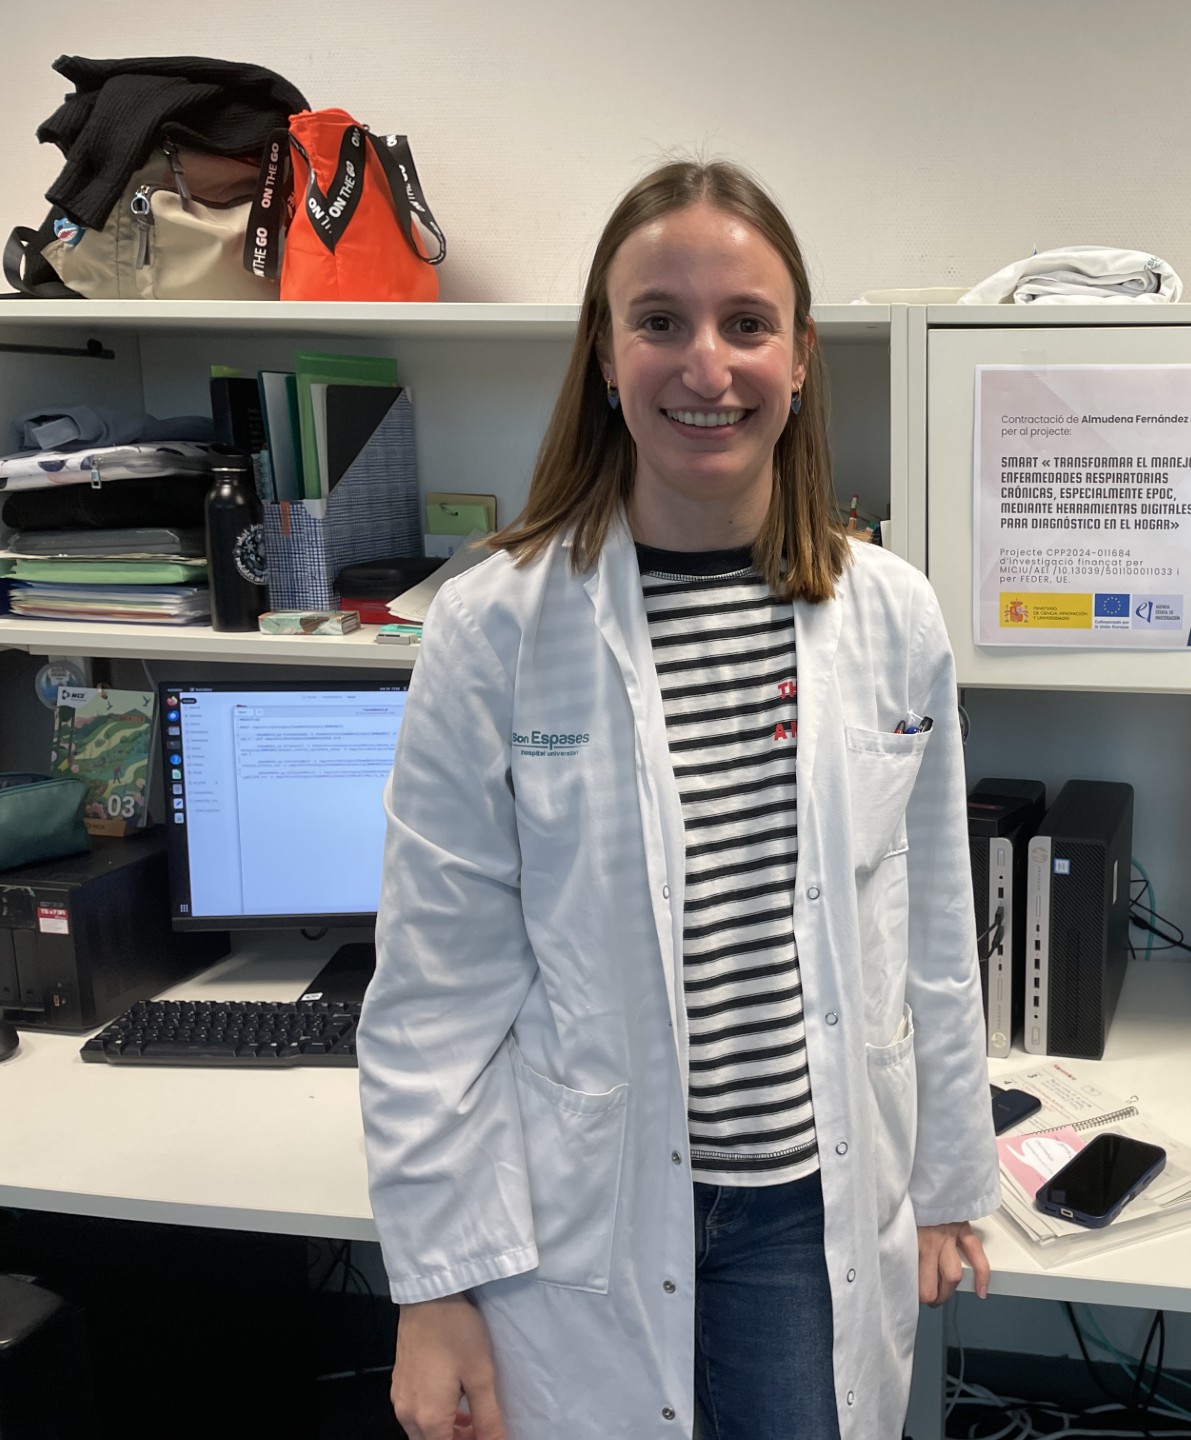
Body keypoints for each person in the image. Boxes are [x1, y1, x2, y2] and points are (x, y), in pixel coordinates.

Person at [358, 159, 999, 1440]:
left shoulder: (893, 615)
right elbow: (436, 987)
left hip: (807, 1212)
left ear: (799, 358)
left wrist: (945, 1183)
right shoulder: (493, 627)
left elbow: (930, 928)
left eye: (746, 323)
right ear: (606, 354)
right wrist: (432, 1288)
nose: (707, 366)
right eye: (660, 320)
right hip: (582, 1211)